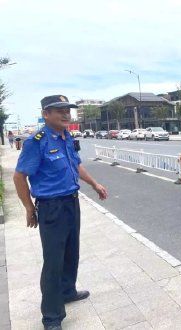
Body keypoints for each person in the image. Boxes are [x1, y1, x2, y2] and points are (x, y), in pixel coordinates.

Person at [13, 95, 108, 330]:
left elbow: (76, 165)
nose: (66, 114)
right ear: (46, 114)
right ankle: (52, 317)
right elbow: (19, 176)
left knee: (71, 252)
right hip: (51, 207)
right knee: (53, 261)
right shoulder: (37, 142)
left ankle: (67, 291)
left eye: (68, 110)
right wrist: (28, 207)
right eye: (60, 110)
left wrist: (94, 184)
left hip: (71, 203)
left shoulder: (66, 137)